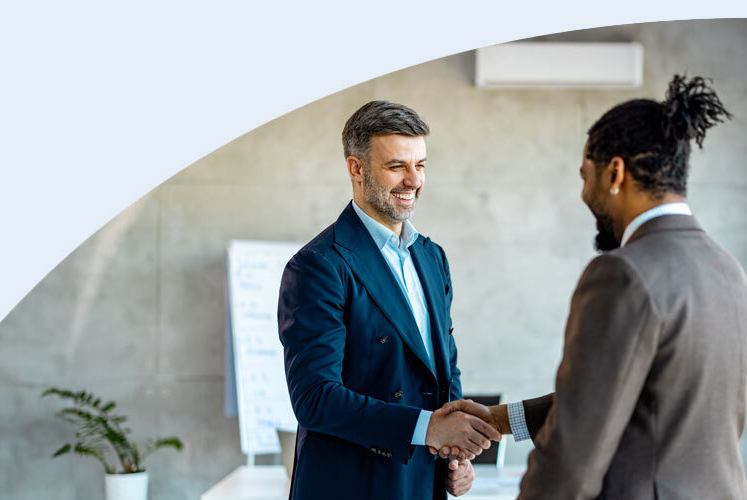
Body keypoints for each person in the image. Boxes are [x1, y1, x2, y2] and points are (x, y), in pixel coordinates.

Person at [435, 75, 747, 499]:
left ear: (615, 172)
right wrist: (499, 419)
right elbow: (641, 401)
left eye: (586, 176)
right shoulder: (728, 270)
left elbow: (571, 461)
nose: (584, 194)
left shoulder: (623, 274)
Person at [278, 101, 501, 500]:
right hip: (352, 487)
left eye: (422, 165)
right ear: (356, 169)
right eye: (397, 166)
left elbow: (444, 371)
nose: (413, 180)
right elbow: (314, 398)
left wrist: (455, 456)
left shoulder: (432, 257)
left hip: (422, 481)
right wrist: (430, 428)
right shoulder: (318, 265)